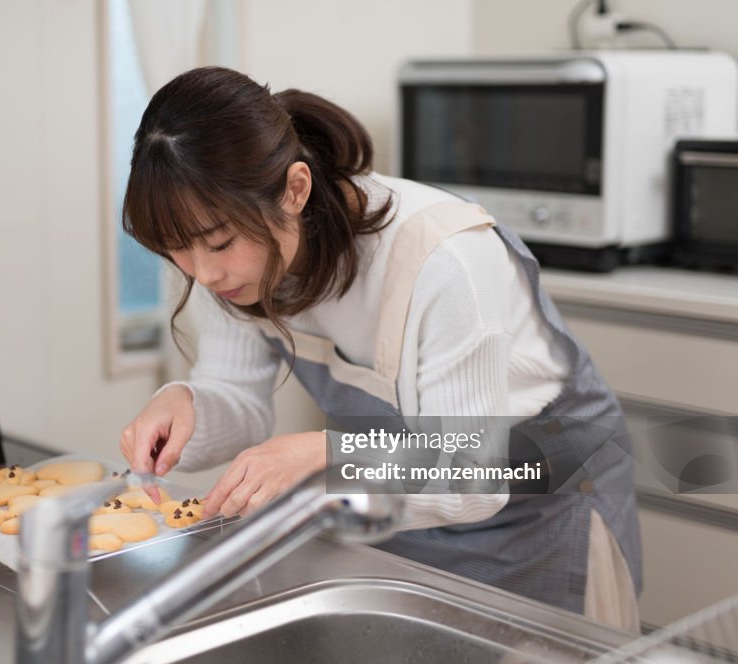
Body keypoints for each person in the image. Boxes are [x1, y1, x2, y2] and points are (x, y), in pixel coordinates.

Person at [117, 66, 641, 631]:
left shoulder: (445, 263)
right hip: (406, 510)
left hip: (543, 503)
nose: (204, 272)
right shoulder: (229, 269)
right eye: (177, 252)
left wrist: (329, 454)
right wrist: (187, 404)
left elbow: (472, 474)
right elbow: (238, 403)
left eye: (219, 242)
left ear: (295, 190)